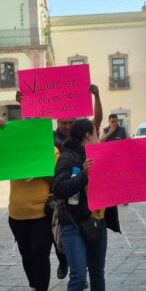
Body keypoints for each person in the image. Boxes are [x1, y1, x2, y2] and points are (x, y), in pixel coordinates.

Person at [51, 119, 121, 291]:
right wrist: (83, 175)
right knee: (79, 275)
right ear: (87, 135)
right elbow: (59, 188)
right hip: (72, 223)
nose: (98, 135)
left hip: (97, 221)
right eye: (95, 132)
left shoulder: (103, 154)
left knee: (97, 272)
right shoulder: (68, 157)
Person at [0, 117, 59, 291]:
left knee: (40, 252)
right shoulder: (13, 148)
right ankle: (33, 284)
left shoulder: (51, 150)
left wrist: (38, 166)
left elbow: (56, 180)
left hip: (41, 213)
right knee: (26, 255)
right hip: (17, 213)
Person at [36, 84, 103, 279]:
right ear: (57, 121)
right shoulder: (49, 138)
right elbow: (30, 137)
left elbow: (97, 120)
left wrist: (96, 96)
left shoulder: (83, 135)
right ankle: (65, 260)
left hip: (80, 192)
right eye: (63, 122)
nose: (66, 126)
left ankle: (76, 266)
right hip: (57, 189)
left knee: (77, 229)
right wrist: (22, 103)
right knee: (58, 230)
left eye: (70, 122)